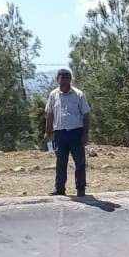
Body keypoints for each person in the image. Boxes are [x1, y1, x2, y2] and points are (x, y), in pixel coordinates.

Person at [43, 69, 92, 197]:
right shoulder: (53, 95)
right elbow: (49, 114)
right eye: (61, 79)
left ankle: (80, 188)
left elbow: (86, 115)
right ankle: (60, 188)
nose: (64, 82)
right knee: (61, 162)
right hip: (60, 134)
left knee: (79, 162)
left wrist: (85, 134)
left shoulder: (79, 95)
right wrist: (48, 131)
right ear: (57, 80)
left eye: (66, 79)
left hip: (76, 132)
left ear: (70, 80)